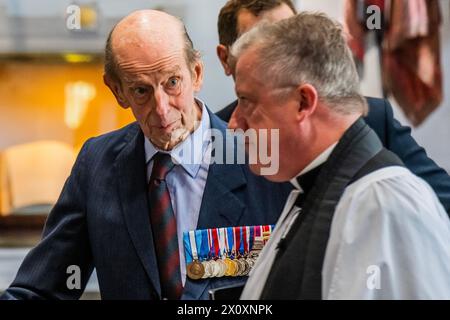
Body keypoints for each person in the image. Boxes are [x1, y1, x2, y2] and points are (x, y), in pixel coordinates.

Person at [0, 10, 290, 300]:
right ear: (117, 91)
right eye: (141, 90)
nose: (162, 110)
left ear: (197, 73)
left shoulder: (260, 158)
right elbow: (42, 289)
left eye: (172, 83)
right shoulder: (97, 165)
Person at [229, 12, 450, 299]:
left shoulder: (386, 205)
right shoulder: (308, 187)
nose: (234, 123)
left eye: (246, 100)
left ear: (303, 102)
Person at [215, 0, 450, 215]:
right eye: (257, 43)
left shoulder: (366, 118)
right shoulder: (216, 142)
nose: (282, 54)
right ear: (226, 59)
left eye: (290, 36)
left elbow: (441, 201)